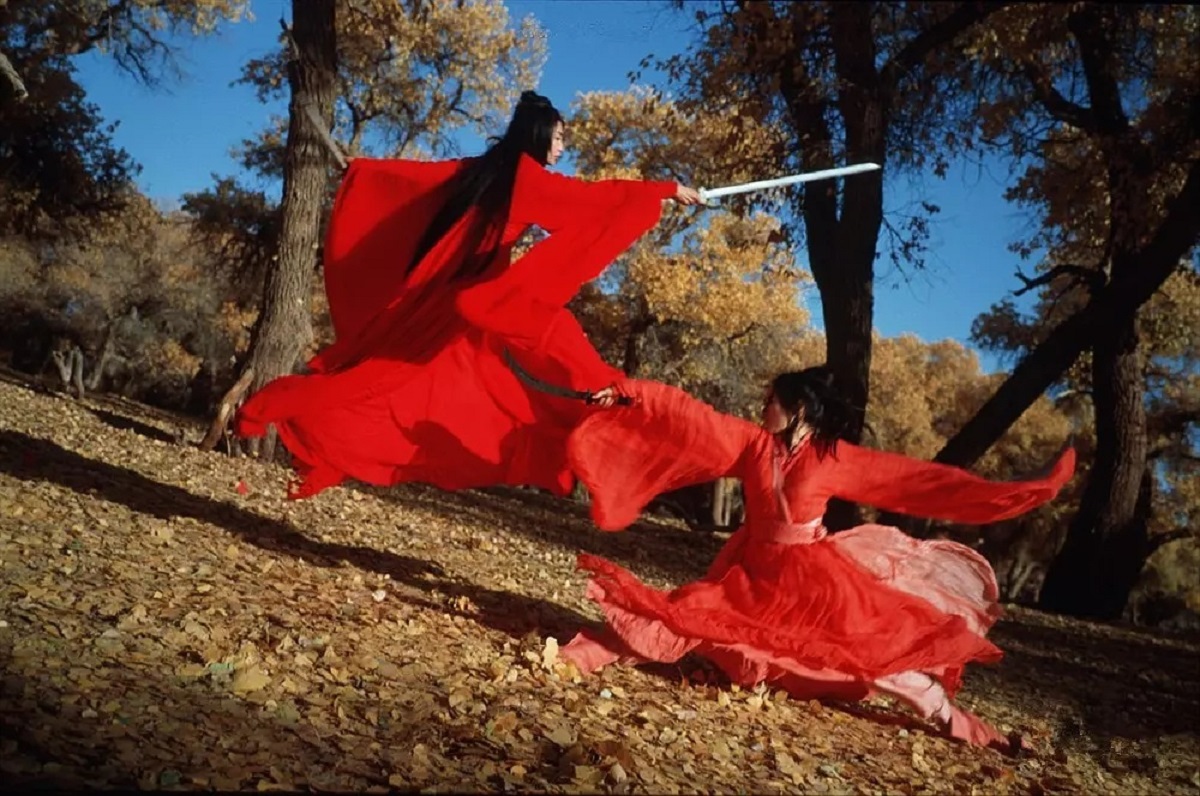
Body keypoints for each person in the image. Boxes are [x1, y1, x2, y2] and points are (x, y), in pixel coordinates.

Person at [563, 368, 1076, 753]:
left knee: (880, 664)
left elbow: (917, 480)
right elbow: (690, 415)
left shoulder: (836, 459)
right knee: (687, 609)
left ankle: (977, 734)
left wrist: (1013, 493)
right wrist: (630, 392)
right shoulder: (752, 445)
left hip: (812, 578)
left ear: (800, 410)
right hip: (754, 571)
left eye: (772, 401)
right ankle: (584, 655)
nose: (764, 407)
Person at [235, 91, 703, 499]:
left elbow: (424, 178)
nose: (562, 148)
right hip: (458, 307)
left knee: (448, 386)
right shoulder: (525, 176)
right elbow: (590, 200)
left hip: (455, 304)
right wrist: (664, 191)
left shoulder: (490, 169)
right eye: (558, 139)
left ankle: (581, 421)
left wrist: (364, 170)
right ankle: (268, 408)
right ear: (539, 136)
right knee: (385, 379)